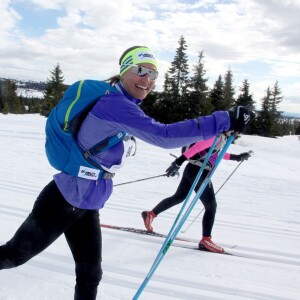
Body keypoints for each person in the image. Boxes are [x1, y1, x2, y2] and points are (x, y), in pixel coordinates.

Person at [0, 46, 253, 299]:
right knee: (13, 256)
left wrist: (216, 131)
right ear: (124, 71)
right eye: (141, 71)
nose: (148, 80)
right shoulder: (114, 104)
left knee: (90, 274)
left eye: (153, 74)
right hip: (63, 200)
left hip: (87, 205)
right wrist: (223, 119)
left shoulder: (123, 104)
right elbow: (163, 135)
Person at [141, 131, 252, 253]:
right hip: (199, 172)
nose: (238, 132)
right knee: (211, 206)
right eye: (236, 129)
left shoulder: (221, 138)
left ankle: (150, 214)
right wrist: (178, 162)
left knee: (179, 197)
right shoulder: (216, 137)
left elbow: (219, 154)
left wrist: (238, 157)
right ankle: (206, 240)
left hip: (193, 169)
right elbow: (197, 147)